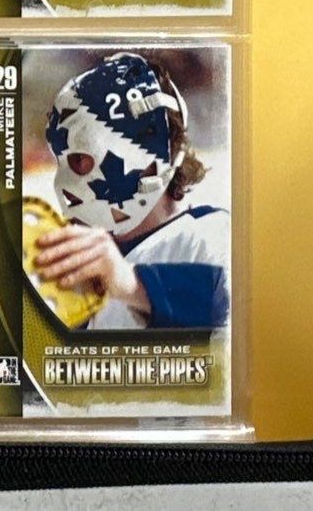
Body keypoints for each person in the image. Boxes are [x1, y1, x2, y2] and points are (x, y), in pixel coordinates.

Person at [33, 52, 229, 331]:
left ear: (144, 157)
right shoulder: (79, 259)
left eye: (81, 159)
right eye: (61, 160)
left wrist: (132, 284)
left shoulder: (209, 234)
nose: (64, 183)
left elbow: (239, 305)